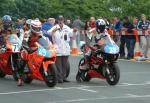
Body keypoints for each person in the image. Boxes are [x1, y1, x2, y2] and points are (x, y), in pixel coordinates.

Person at [48, 15, 77, 83]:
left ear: (63, 20)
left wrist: (74, 31)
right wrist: (54, 31)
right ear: (57, 21)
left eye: (62, 20)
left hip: (65, 49)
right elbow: (48, 33)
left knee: (64, 65)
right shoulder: (54, 27)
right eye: (59, 20)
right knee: (58, 65)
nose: (60, 21)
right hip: (58, 48)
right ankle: (59, 78)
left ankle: (64, 77)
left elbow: (72, 35)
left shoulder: (67, 28)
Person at [0, 15, 24, 86]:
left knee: (17, 55)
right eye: (6, 22)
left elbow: (15, 35)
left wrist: (20, 32)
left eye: (8, 22)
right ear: (3, 22)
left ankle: (19, 75)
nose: (7, 23)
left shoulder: (12, 27)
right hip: (2, 44)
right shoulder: (1, 28)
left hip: (11, 44)